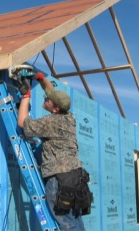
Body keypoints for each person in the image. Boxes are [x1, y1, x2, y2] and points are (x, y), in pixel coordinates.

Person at [17, 72, 86, 231]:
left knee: (67, 224)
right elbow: (50, 91)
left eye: (48, 100)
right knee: (74, 220)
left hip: (59, 179)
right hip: (74, 176)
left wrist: (26, 97)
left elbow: (22, 123)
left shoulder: (51, 122)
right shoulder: (69, 116)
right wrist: (40, 78)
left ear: (55, 109)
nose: (45, 98)